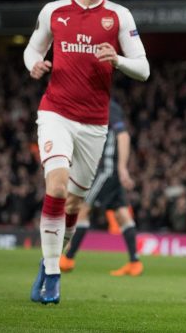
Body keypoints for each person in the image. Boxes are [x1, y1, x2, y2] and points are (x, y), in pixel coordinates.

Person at [24, 0, 149, 304]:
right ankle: (52, 272)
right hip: (55, 113)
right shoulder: (54, 12)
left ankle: (48, 258)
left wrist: (118, 60)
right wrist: (33, 64)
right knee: (58, 187)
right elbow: (33, 49)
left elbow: (143, 68)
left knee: (75, 204)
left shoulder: (119, 16)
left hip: (95, 124)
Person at [59, 99, 143, 277]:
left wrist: (121, 168)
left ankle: (67, 259)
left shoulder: (109, 106)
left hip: (107, 171)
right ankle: (134, 263)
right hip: (106, 170)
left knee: (82, 208)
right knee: (122, 214)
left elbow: (123, 135)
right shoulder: (95, 106)